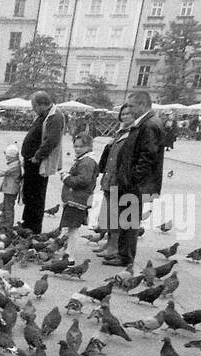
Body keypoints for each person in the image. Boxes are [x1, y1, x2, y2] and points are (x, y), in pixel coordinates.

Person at [105, 90, 164, 269]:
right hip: (133, 181)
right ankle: (123, 253)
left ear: (142, 105)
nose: (128, 109)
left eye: (131, 105)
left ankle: (126, 257)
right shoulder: (146, 123)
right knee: (127, 220)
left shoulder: (150, 125)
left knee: (129, 221)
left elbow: (147, 156)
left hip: (136, 184)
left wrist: (132, 179)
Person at [20, 91, 66, 237]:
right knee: (29, 193)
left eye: (34, 105)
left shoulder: (55, 116)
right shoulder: (44, 115)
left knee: (36, 196)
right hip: (31, 161)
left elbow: (51, 141)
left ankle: (33, 229)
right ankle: (27, 224)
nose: (33, 108)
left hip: (38, 163)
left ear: (42, 104)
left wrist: (37, 156)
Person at [94, 103, 134, 258]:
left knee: (115, 213)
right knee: (107, 212)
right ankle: (109, 242)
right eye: (123, 114)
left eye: (128, 114)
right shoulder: (120, 133)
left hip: (119, 179)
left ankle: (114, 245)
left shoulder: (132, 134)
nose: (124, 116)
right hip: (110, 177)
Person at [59, 132, 98, 233]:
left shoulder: (87, 162)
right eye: (75, 146)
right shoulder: (83, 160)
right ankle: (68, 247)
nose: (77, 149)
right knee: (69, 228)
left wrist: (67, 178)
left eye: (81, 146)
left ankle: (70, 249)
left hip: (77, 200)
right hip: (74, 199)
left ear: (89, 147)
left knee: (72, 229)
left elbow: (83, 180)